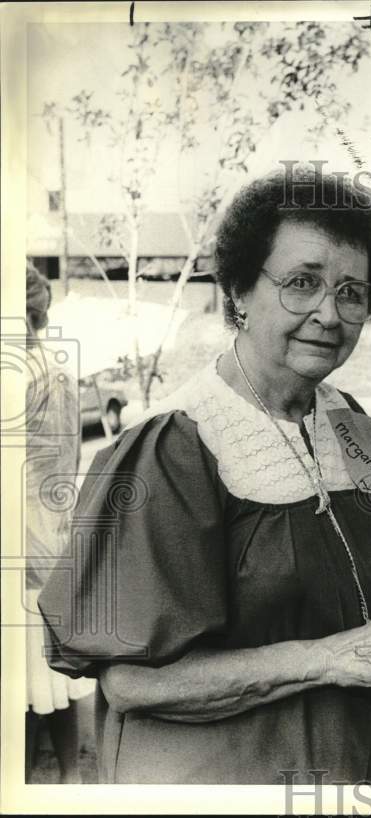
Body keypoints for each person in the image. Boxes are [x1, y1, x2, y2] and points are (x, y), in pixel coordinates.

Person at [38, 168, 371, 784]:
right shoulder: (176, 446)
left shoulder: (354, 428)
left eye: (352, 292)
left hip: (354, 765)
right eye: (301, 283)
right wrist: (323, 660)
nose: (328, 313)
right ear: (236, 289)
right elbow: (130, 681)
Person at [24, 262, 94, 784]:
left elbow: (48, 467)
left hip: (31, 536)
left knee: (34, 673)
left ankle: (53, 778)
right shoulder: (53, 369)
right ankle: (63, 776)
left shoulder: (30, 373)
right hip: (48, 531)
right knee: (46, 675)